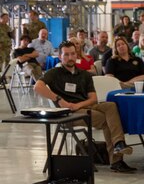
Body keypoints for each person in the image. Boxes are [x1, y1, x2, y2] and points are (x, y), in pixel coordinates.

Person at [34, 41, 136, 174]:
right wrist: (58, 99)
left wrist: (77, 105)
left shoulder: (84, 74)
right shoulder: (54, 73)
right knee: (107, 120)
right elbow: (37, 87)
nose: (70, 57)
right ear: (60, 56)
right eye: (66, 55)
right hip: (67, 114)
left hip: (84, 106)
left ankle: (119, 144)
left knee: (111, 106)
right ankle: (117, 160)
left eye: (72, 54)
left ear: (76, 54)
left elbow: (93, 98)